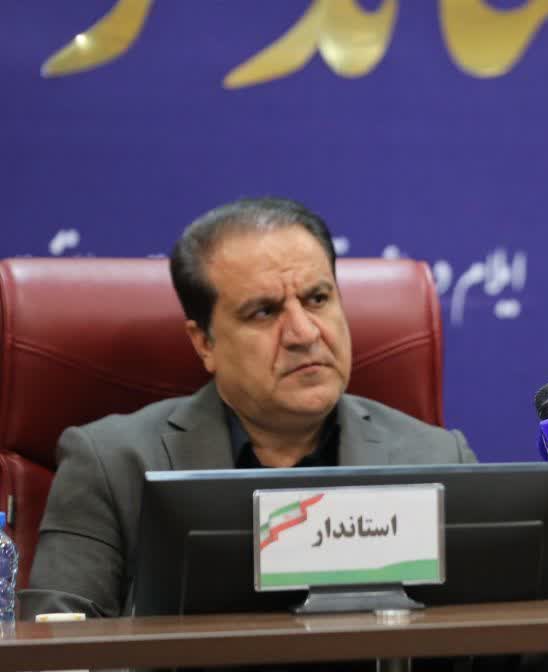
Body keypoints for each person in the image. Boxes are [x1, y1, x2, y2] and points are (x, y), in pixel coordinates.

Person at [20, 197, 476, 619]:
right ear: (205, 343)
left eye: (318, 299)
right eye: (264, 312)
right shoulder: (112, 466)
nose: (304, 333)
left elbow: (489, 645)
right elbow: (60, 652)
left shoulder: (438, 461)